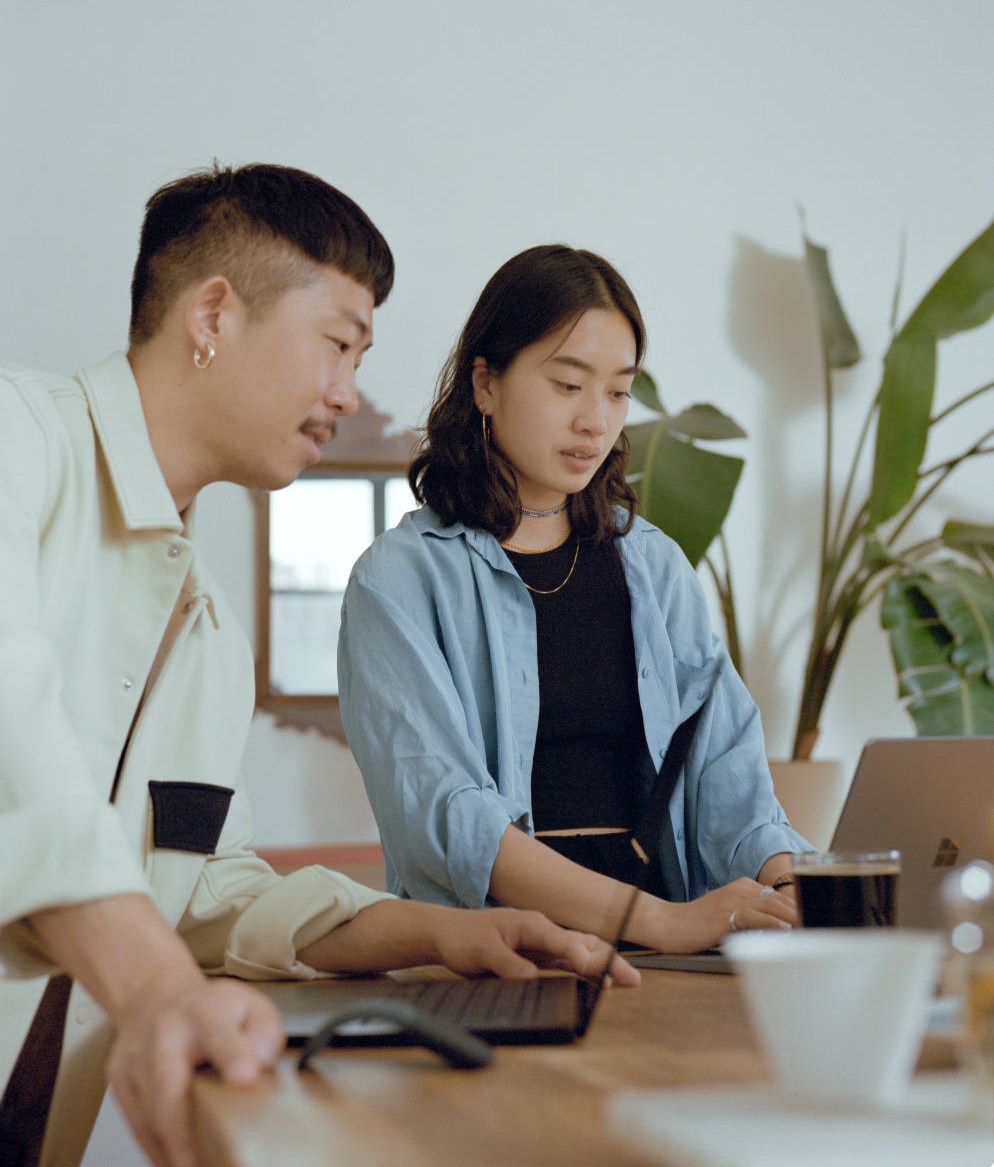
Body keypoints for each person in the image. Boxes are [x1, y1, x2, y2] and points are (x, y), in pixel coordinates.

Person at [0, 171, 638, 1167]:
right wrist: (159, 988)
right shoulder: (17, 438)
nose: (348, 393)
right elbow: (11, 734)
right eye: (338, 344)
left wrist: (434, 934)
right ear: (213, 311)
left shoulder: (203, 632)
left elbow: (211, 894)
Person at [339, 244, 815, 954]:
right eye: (567, 385)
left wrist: (789, 884)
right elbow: (446, 817)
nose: (596, 419)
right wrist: (653, 921)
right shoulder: (399, 580)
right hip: (494, 955)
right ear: (486, 384)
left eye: (618, 391)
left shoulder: (653, 565)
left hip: (668, 961)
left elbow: (726, 770)